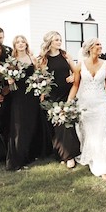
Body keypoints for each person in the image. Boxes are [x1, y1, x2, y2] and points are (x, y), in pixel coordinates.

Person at [69, 38, 106, 181]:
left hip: (101, 103)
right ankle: (91, 155)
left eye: (100, 44)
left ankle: (103, 166)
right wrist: (68, 102)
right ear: (90, 48)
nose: (100, 46)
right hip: (85, 103)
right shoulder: (80, 65)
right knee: (89, 132)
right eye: (97, 44)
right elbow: (75, 86)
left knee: (102, 131)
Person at [38, 31, 80, 168]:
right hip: (52, 96)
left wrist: (73, 76)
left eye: (60, 39)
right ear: (49, 41)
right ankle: (61, 153)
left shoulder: (65, 55)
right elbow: (40, 77)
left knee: (66, 124)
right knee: (57, 126)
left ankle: (70, 156)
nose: (59, 41)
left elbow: (76, 71)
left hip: (66, 93)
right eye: (56, 39)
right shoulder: (43, 58)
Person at [5, 35, 41, 171]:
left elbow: (38, 75)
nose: (21, 44)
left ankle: (30, 154)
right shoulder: (12, 61)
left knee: (31, 124)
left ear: (26, 44)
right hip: (18, 96)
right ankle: (17, 159)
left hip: (32, 96)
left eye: (23, 42)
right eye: (17, 42)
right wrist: (9, 80)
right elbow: (7, 78)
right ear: (14, 45)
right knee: (19, 126)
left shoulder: (33, 59)